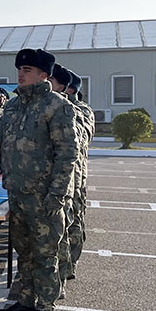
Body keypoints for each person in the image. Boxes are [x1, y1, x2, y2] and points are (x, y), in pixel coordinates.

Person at [0, 48, 79, 311]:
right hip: (18, 193)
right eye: (19, 69)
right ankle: (25, 300)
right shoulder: (13, 107)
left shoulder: (58, 106)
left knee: (46, 252)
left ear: (43, 75)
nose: (21, 75)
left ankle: (44, 306)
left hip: (45, 197)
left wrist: (57, 194)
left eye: (27, 70)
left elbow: (67, 155)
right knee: (24, 252)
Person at [65, 69, 95, 279]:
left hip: (74, 178)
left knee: (73, 223)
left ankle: (69, 267)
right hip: (68, 177)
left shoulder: (81, 110)